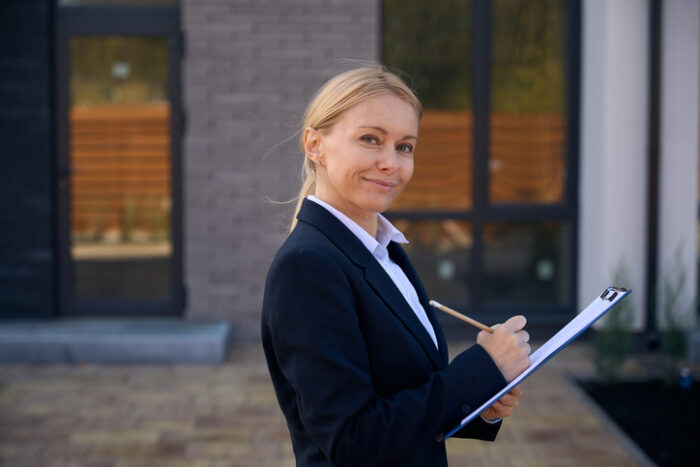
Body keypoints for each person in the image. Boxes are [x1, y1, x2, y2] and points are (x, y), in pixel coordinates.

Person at [261, 66, 531, 466]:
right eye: (371, 139)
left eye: (404, 146)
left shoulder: (385, 252)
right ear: (314, 144)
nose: (391, 162)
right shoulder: (307, 268)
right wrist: (478, 371)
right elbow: (354, 441)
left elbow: (404, 390)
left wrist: (480, 402)